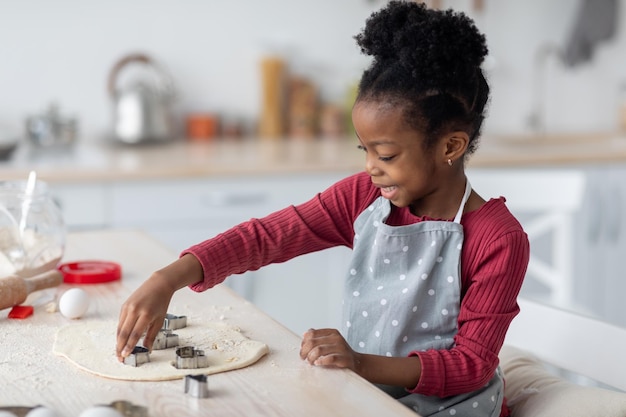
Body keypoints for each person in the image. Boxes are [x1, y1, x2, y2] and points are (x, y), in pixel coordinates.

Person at [116, 2, 529, 416]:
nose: (370, 167)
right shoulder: (364, 198)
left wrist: (359, 362)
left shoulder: (498, 238)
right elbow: (266, 237)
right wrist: (167, 278)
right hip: (370, 396)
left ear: (450, 147)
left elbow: (472, 367)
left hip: (452, 407)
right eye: (364, 150)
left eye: (385, 155)